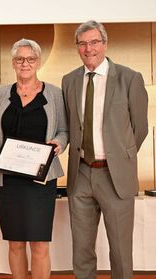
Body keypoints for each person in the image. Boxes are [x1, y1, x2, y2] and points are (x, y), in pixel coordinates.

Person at [62, 20, 148, 279]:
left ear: (105, 44)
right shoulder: (69, 81)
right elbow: (70, 125)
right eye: (83, 43)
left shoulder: (129, 78)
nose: (89, 48)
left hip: (115, 175)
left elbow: (140, 127)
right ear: (77, 47)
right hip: (81, 174)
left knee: (120, 250)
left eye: (94, 42)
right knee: (82, 250)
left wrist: (121, 157)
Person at [0, 39, 68, 279]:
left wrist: (59, 144)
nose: (25, 63)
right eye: (20, 59)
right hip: (8, 181)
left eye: (30, 59)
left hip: (41, 182)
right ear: (13, 62)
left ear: (38, 62)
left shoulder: (54, 94)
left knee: (40, 244)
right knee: (15, 243)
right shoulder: (0, 93)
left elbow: (64, 130)